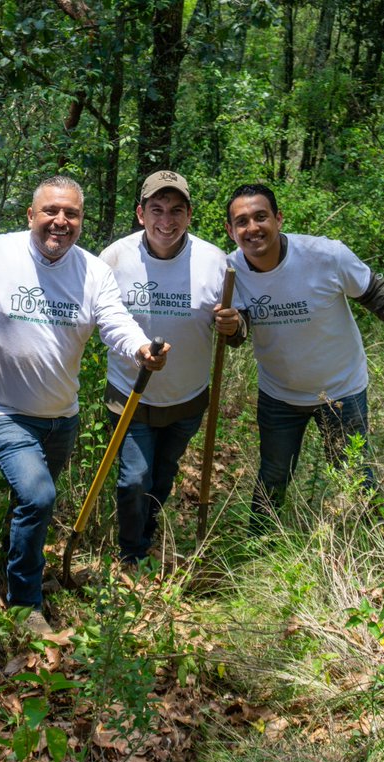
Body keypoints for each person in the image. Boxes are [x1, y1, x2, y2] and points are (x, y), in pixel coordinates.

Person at [0, 176, 168, 634]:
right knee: (39, 494)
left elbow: (114, 322)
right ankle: (24, 604)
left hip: (61, 417)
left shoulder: (92, 271)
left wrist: (141, 348)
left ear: (81, 221)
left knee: (30, 503)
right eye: (50, 211)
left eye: (72, 214)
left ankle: (7, 566)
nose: (60, 221)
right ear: (31, 215)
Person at [223, 183, 384, 533]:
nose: (252, 228)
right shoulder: (229, 271)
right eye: (241, 222)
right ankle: (258, 544)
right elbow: (240, 331)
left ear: (278, 218)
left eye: (261, 217)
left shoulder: (325, 255)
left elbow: (371, 289)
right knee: (274, 472)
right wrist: (231, 328)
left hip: (341, 387)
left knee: (353, 468)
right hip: (280, 393)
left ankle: (380, 538)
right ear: (230, 231)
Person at [99, 171, 244, 563]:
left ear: (190, 214)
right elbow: (96, 319)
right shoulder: (114, 258)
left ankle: (147, 530)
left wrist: (234, 326)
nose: (167, 220)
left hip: (187, 398)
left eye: (176, 210)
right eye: (157, 209)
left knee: (162, 476)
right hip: (129, 393)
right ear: (140, 213)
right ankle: (131, 555)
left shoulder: (216, 262)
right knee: (134, 479)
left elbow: (238, 330)